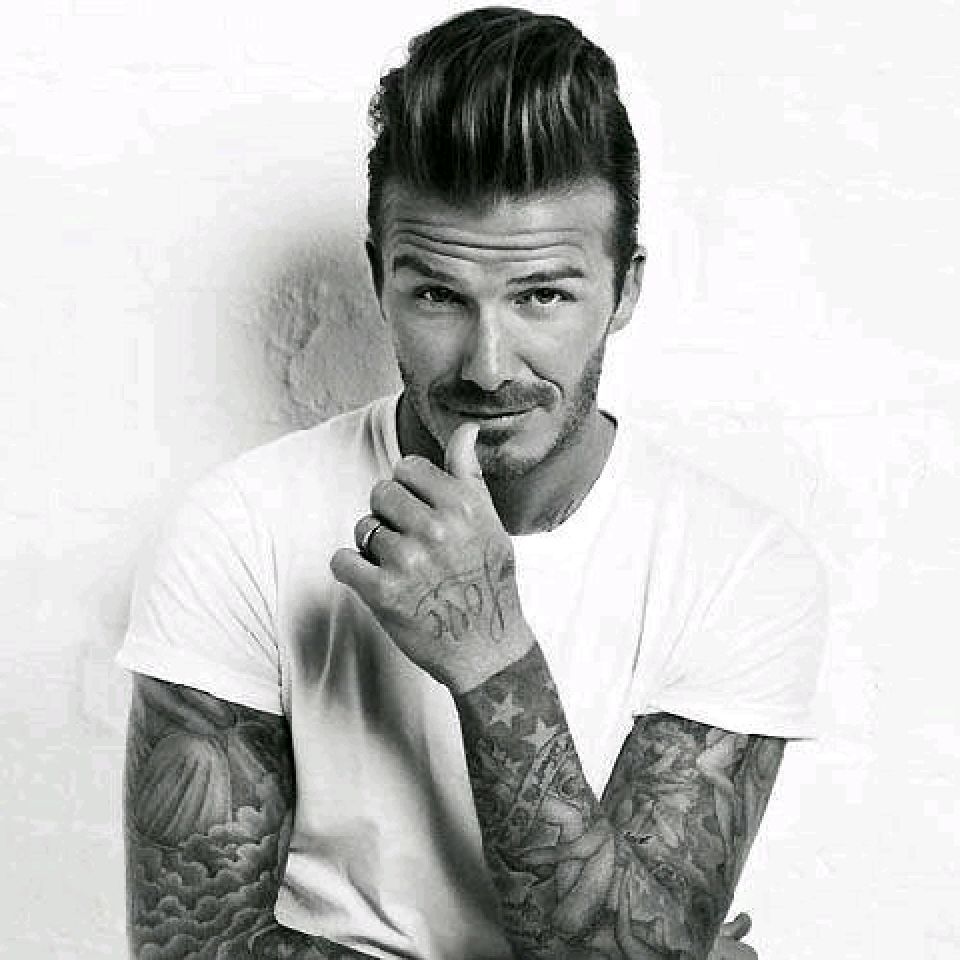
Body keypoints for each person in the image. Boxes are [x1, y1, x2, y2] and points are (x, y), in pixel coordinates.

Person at [119, 8, 827, 960]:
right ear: (379, 280)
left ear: (625, 290)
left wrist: (492, 656)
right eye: (438, 295)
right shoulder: (240, 529)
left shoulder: (740, 567)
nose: (490, 366)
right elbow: (193, 952)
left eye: (543, 295)